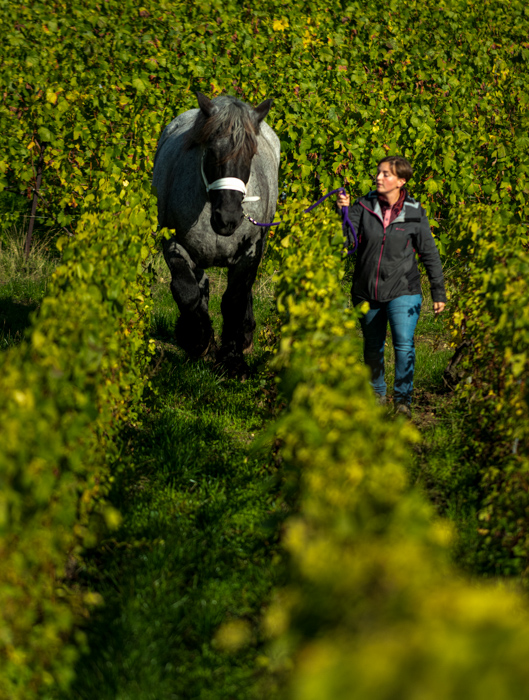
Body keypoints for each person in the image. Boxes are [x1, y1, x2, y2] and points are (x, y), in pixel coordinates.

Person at [337, 156, 446, 417]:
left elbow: (429, 253)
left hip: (404, 290)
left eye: (386, 174)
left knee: (404, 344)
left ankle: (402, 402)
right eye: (378, 172)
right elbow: (346, 241)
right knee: (372, 347)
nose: (379, 177)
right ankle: (376, 397)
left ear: (401, 181)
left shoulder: (414, 211)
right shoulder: (364, 205)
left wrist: (438, 292)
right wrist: (344, 211)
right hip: (366, 291)